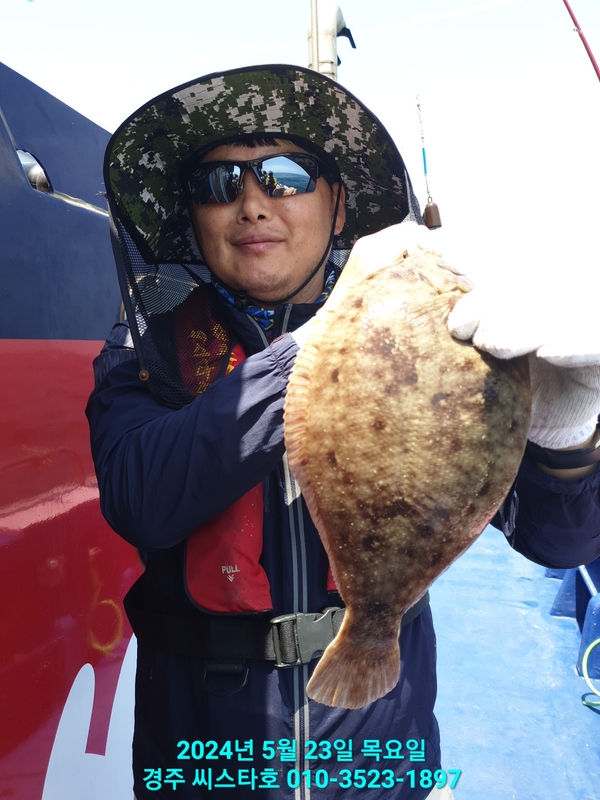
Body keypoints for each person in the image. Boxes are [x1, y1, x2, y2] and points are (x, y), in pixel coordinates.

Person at [86, 64, 600, 800]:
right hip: (198, 755)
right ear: (193, 215)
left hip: (380, 755)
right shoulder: (151, 349)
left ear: (338, 203)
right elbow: (140, 495)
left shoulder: (451, 336)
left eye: (285, 175)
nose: (253, 204)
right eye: (218, 184)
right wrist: (326, 347)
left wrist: (567, 438)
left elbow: (560, 544)